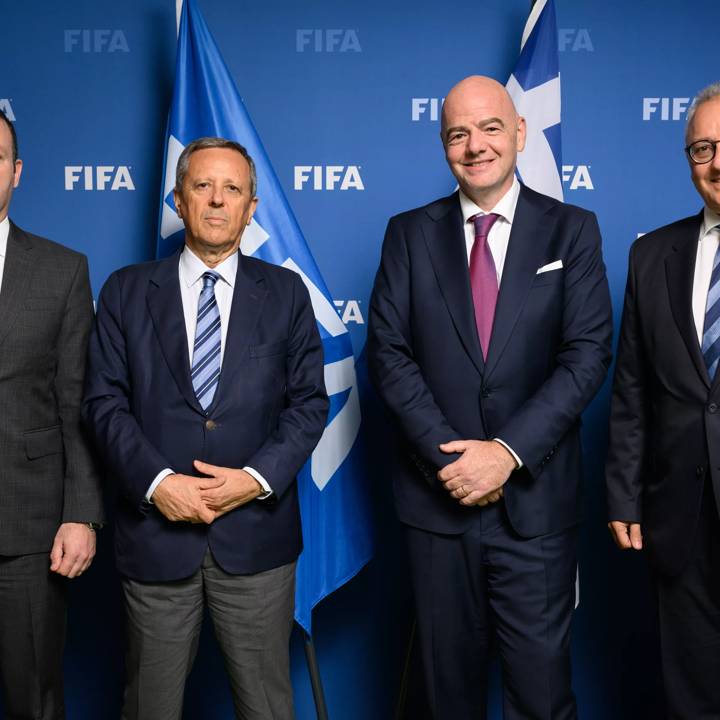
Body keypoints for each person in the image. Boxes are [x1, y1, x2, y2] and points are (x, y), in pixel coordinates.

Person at [367, 75, 612, 719]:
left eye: (490, 128)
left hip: (535, 505)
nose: (475, 146)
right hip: (437, 503)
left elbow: (586, 356)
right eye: (458, 133)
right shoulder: (408, 235)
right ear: (443, 144)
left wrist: (505, 453)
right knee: (446, 697)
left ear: (520, 133)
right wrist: (454, 462)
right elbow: (389, 355)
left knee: (541, 694)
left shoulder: (572, 231)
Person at [83, 136, 328, 720]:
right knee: (150, 707)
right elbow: (103, 402)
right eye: (202, 186)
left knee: (266, 706)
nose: (217, 201)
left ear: (250, 207)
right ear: (179, 199)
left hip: (257, 540)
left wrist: (256, 479)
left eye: (232, 190)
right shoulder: (125, 290)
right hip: (156, 540)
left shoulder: (287, 293)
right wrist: (158, 483)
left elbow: (308, 405)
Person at [606, 81, 720, 719]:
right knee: (693, 690)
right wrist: (624, 494)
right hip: (682, 511)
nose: (717, 163)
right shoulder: (652, 255)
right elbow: (632, 390)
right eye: (702, 149)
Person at [0, 111, 103, 718]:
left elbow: (77, 402)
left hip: (28, 529)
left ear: (17, 171)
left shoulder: (63, 270)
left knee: (33, 697)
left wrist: (81, 515)